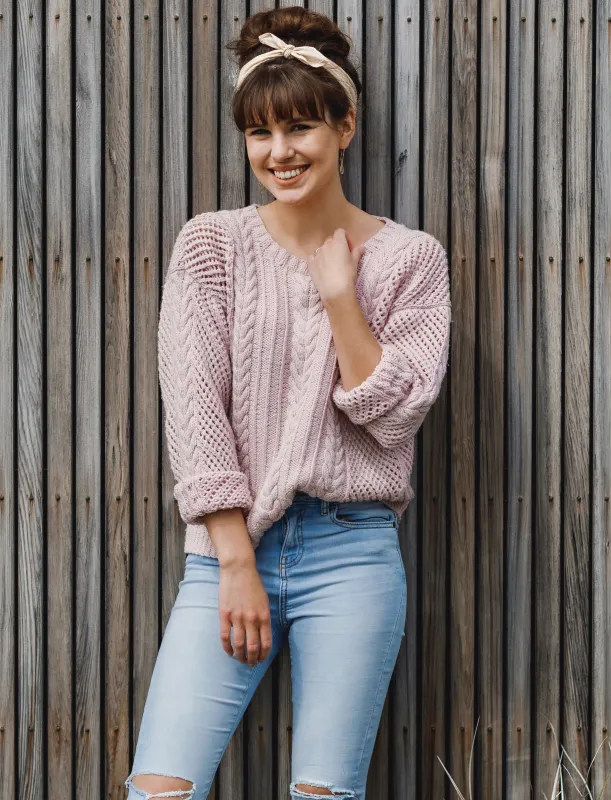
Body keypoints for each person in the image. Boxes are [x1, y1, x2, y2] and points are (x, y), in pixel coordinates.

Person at [125, 6, 451, 799]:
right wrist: (235, 561)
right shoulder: (211, 245)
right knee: (159, 790)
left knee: (324, 796)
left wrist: (341, 296)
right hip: (228, 553)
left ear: (345, 126)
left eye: (300, 127)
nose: (279, 153)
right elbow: (195, 409)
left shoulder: (412, 260)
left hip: (354, 551)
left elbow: (396, 411)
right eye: (260, 134)